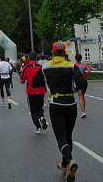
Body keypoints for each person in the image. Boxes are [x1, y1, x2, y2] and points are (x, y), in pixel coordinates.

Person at [32, 42, 85, 182]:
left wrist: (46, 82)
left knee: (61, 137)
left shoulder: (46, 67)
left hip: (56, 104)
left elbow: (34, 83)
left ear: (53, 52)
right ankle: (65, 165)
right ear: (64, 53)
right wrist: (74, 88)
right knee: (68, 135)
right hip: (71, 105)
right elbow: (81, 83)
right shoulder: (71, 66)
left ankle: (71, 161)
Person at [20, 52, 48, 134]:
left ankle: (38, 127)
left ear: (28, 58)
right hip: (41, 90)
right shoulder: (41, 67)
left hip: (31, 91)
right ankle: (42, 117)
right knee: (40, 107)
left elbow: (22, 80)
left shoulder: (26, 67)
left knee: (33, 110)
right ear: (37, 58)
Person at [74, 53, 90, 118]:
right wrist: (85, 75)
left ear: (75, 59)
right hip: (84, 81)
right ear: (81, 58)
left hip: (78, 81)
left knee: (80, 96)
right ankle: (84, 110)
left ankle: (83, 112)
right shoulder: (84, 65)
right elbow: (89, 71)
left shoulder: (74, 65)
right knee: (82, 95)